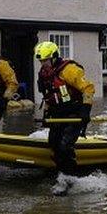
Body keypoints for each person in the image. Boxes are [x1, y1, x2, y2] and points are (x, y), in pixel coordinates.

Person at [35, 41, 95, 178]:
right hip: (58, 112)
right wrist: (46, 114)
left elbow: (88, 88)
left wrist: (86, 110)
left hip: (75, 111)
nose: (43, 64)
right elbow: (48, 95)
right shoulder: (44, 74)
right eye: (41, 61)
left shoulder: (69, 70)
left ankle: (71, 176)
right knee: (53, 143)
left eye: (45, 60)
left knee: (64, 145)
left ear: (54, 57)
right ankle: (61, 171)